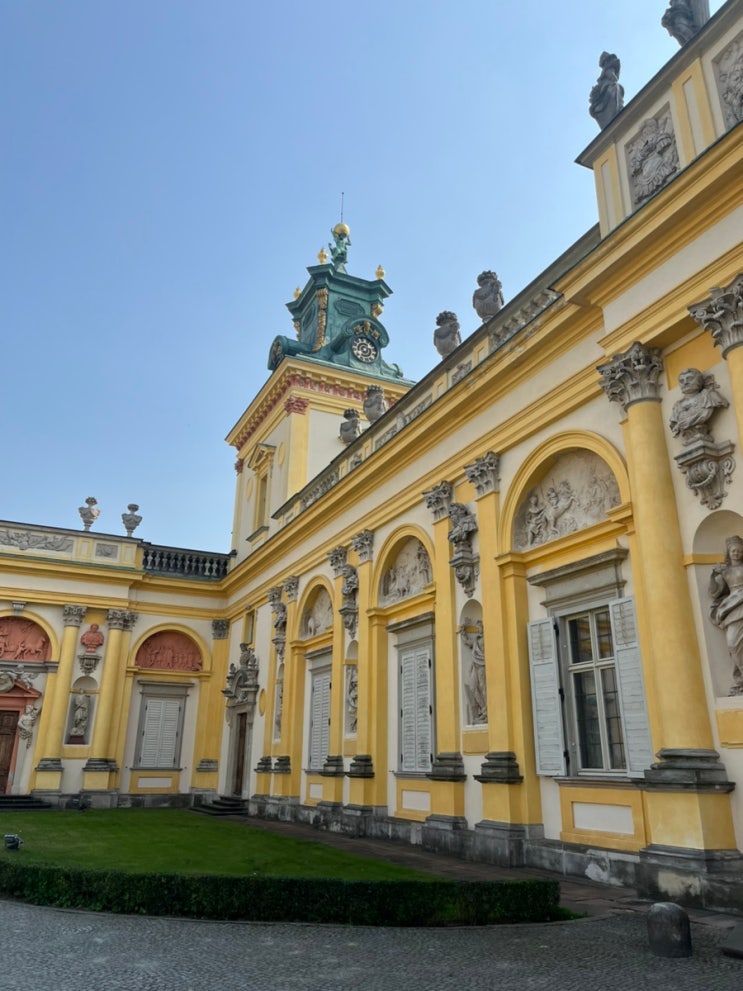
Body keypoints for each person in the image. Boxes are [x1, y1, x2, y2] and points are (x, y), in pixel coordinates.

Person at [709, 536, 743, 696]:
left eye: (739, 551)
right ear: (728, 553)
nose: (736, 553)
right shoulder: (725, 571)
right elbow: (715, 592)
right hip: (733, 607)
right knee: (732, 643)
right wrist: (714, 577)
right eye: (733, 550)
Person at [669, 368, 728, 443]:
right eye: (681, 381)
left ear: (699, 381)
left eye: (689, 378)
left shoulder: (709, 396)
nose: (685, 383)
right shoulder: (677, 407)